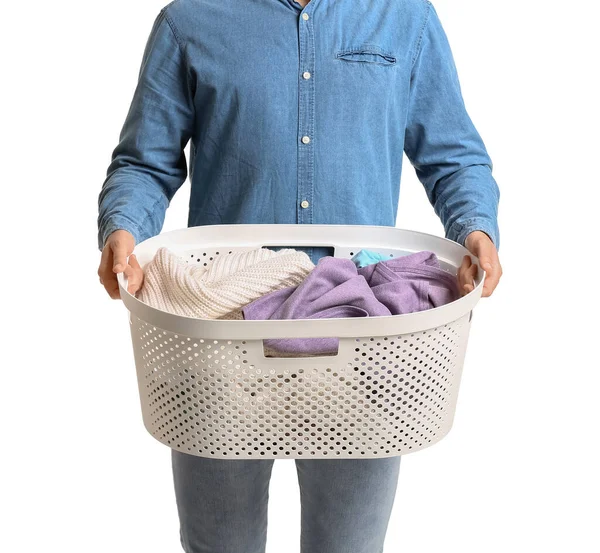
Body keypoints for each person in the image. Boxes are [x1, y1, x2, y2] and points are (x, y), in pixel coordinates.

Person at [97, 0, 503, 551]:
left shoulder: (403, 17)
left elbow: (453, 155)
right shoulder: (190, 20)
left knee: (349, 547)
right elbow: (145, 162)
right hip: (223, 334)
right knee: (219, 545)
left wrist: (475, 228)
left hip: (365, 336)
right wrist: (122, 229)